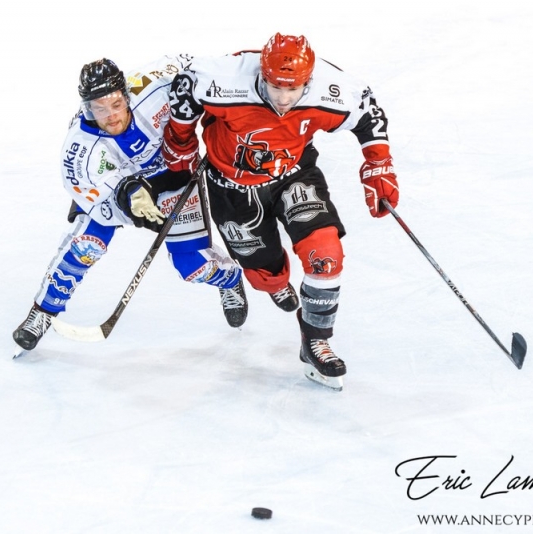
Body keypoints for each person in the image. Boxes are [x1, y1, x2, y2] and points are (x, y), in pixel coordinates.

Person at [161, 34, 399, 390]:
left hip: (293, 175)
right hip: (231, 187)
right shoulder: (226, 78)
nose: (284, 99)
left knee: (327, 254)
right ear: (263, 74)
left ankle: (316, 338)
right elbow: (185, 88)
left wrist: (379, 165)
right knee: (264, 273)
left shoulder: (329, 89)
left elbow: (367, 112)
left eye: (295, 89)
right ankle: (272, 283)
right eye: (275, 87)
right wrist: (181, 140)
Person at [12, 55, 248, 354]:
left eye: (115, 104)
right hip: (115, 187)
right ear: (86, 108)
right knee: (87, 244)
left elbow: (201, 67)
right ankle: (43, 312)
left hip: (173, 174)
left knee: (192, 267)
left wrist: (228, 114)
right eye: (98, 108)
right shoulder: (79, 150)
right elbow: (97, 198)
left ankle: (229, 278)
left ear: (126, 94)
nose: (110, 116)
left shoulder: (153, 87)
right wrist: (130, 201)